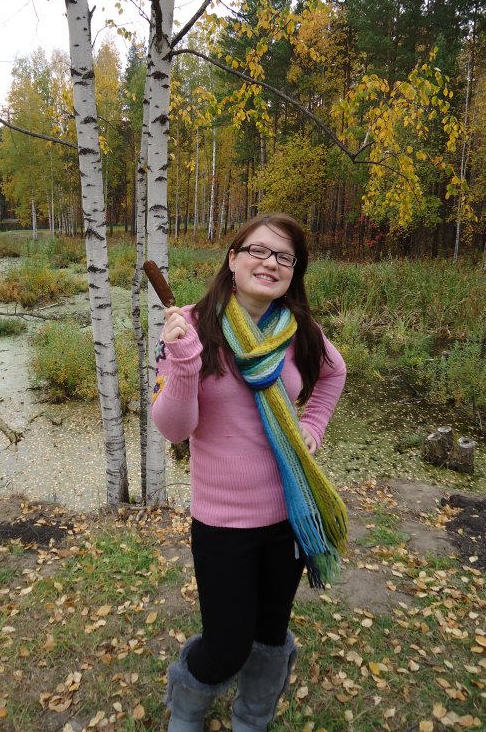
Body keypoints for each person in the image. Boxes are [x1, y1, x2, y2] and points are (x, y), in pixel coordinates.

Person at [151, 213, 348, 732]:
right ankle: (186, 712)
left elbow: (335, 374)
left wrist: (313, 425)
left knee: (269, 634)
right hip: (222, 522)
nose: (271, 263)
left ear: (294, 271)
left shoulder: (300, 330)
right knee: (226, 645)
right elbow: (174, 429)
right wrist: (185, 364)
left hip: (289, 514)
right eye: (259, 250)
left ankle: (252, 718)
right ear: (233, 259)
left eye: (285, 256)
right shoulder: (189, 327)